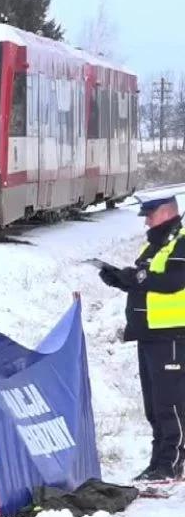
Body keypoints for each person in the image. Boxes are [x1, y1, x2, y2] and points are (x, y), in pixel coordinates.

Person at [99, 195, 185, 481]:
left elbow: (172, 282)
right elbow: (145, 281)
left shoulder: (181, 242)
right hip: (149, 333)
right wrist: (119, 279)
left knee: (170, 404)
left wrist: (134, 278)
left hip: (172, 335)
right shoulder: (154, 244)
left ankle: (171, 465)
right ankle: (158, 462)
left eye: (149, 214)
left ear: (166, 212)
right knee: (154, 406)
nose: (146, 220)